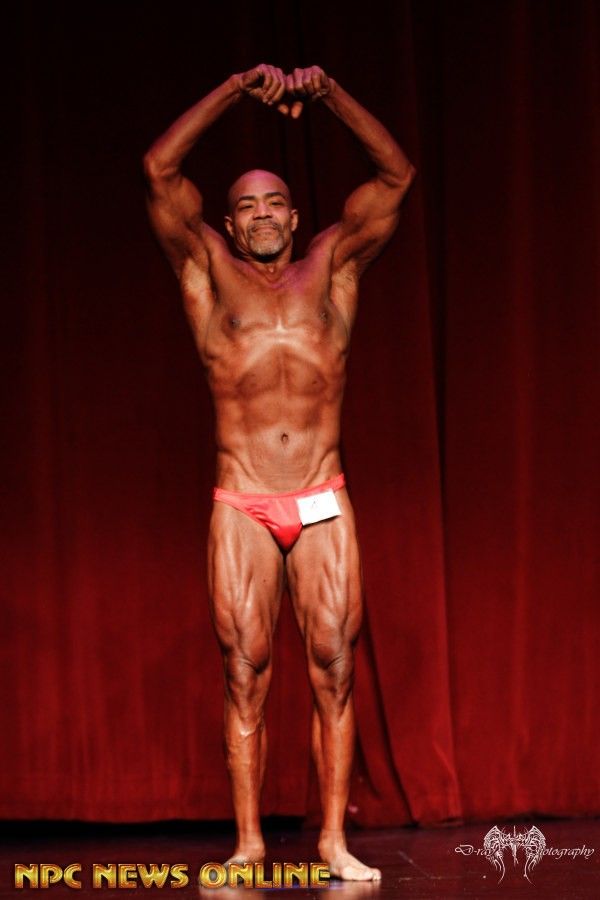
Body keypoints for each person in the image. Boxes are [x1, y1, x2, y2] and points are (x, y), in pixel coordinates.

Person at [143, 63, 415, 881]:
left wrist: (328, 95)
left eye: (274, 203)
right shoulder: (205, 270)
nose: (262, 214)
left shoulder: (334, 265)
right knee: (244, 672)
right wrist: (234, 89)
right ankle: (250, 845)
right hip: (244, 500)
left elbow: (395, 177)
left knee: (335, 668)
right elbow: (159, 168)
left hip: (323, 495)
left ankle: (332, 842)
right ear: (228, 223)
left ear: (295, 217)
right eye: (247, 206)